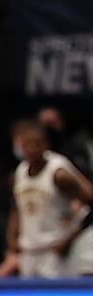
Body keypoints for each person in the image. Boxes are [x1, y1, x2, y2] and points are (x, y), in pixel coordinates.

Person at [10, 118, 93, 277]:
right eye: (26, 144)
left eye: (36, 144)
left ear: (46, 145)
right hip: (29, 250)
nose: (31, 149)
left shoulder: (59, 173)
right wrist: (12, 238)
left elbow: (89, 204)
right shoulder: (20, 171)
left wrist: (69, 239)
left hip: (55, 249)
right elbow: (17, 208)